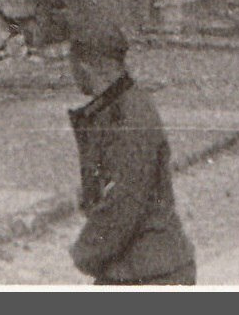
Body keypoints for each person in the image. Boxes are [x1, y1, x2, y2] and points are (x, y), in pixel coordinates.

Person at [66, 16, 196, 286]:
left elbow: (125, 201)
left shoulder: (127, 116)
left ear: (84, 64)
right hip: (139, 268)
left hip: (148, 274)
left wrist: (86, 252)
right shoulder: (120, 105)